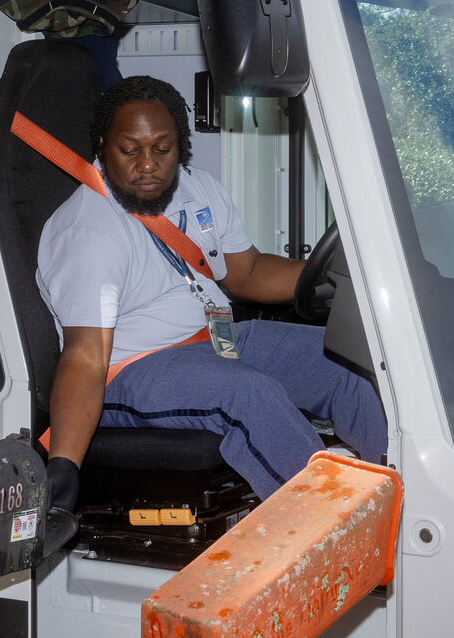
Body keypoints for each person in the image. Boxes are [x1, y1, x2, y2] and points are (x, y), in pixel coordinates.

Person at [35, 75, 386, 513]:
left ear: (179, 145)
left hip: (215, 342)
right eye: (129, 150)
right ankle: (334, 530)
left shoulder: (197, 187)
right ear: (103, 145)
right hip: (130, 369)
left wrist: (340, 280)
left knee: (355, 359)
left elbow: (248, 273)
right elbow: (86, 358)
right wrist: (63, 464)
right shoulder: (88, 232)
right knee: (249, 394)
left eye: (161, 149)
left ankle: (405, 507)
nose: (147, 165)